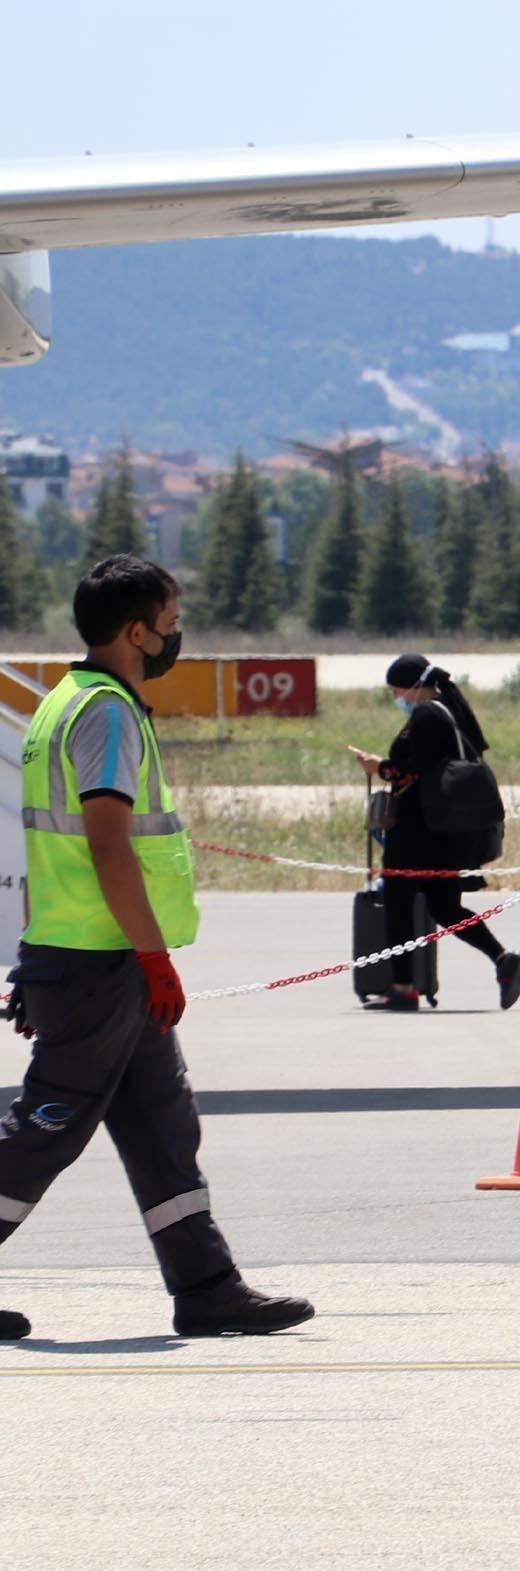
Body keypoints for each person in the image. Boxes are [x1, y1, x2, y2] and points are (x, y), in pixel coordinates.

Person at [0, 555, 314, 1339]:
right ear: (136, 631)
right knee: (47, 1128)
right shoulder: (105, 712)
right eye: (172, 624)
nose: (177, 637)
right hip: (103, 963)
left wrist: (34, 958)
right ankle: (207, 1285)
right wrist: (151, 956)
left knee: (161, 1122)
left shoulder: (60, 701)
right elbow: (106, 845)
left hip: (84, 955)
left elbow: (51, 850)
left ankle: (207, 1286)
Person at [349, 653, 520, 1013]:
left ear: (414, 686)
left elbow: (411, 769)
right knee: (444, 906)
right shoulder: (451, 709)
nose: (397, 697)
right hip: (446, 832)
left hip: (419, 831)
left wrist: (378, 767)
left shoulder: (428, 714)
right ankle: (502, 958)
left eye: (397, 690)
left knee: (398, 902)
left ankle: (403, 988)